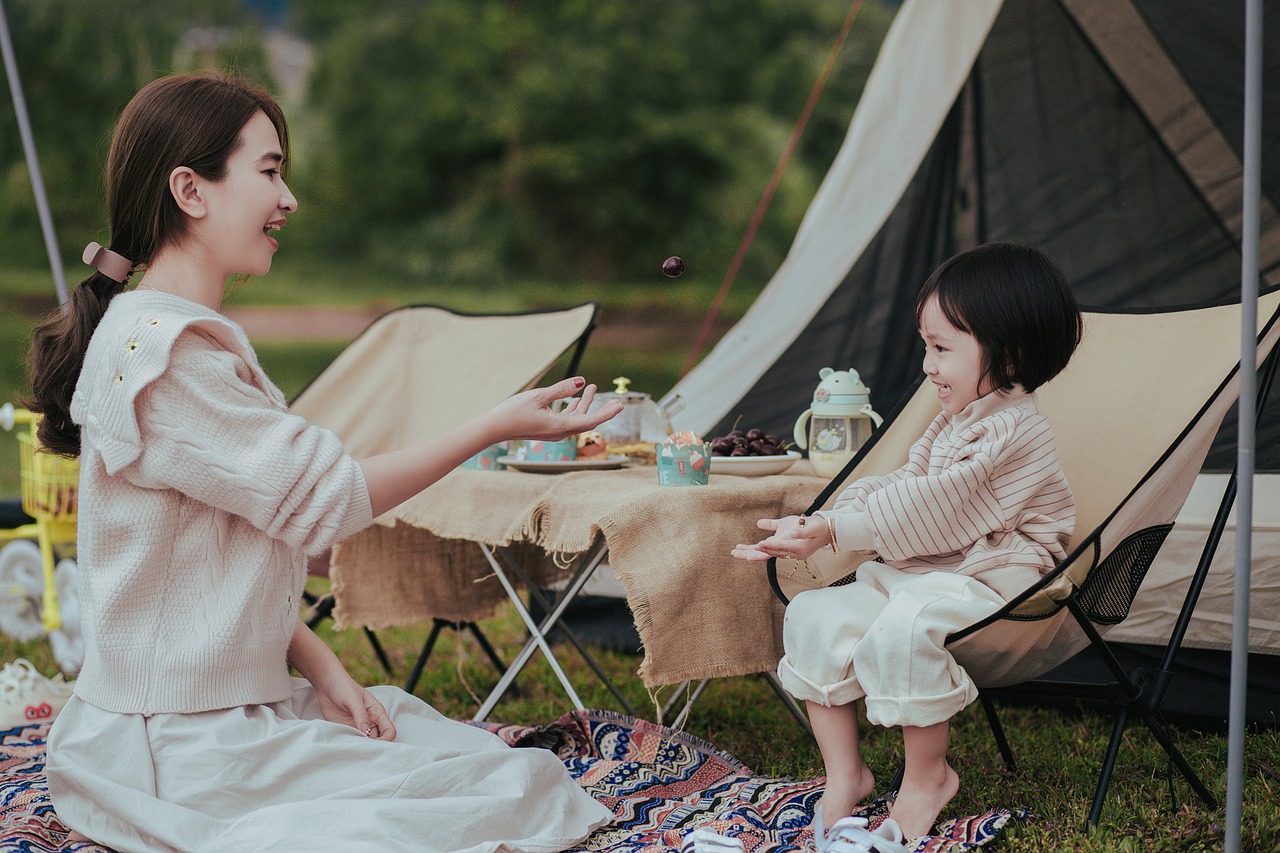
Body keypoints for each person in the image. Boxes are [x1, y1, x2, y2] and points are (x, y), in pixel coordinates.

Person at [27, 72, 621, 853]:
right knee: (512, 793)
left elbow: (230, 554)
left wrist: (324, 671)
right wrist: (492, 424)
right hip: (172, 744)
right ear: (190, 190)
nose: (289, 198)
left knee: (455, 750)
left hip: (220, 704)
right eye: (269, 171)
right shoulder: (168, 362)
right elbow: (329, 499)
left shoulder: (170, 336)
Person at [732, 243, 1082, 845]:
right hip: (932, 568)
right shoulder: (956, 419)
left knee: (904, 624)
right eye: (927, 345)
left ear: (1011, 354)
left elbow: (948, 503)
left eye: (942, 348)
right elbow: (907, 483)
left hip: (995, 573)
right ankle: (847, 775)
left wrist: (839, 531)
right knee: (816, 613)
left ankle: (927, 779)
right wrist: (827, 517)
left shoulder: (1015, 428)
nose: (927, 365)